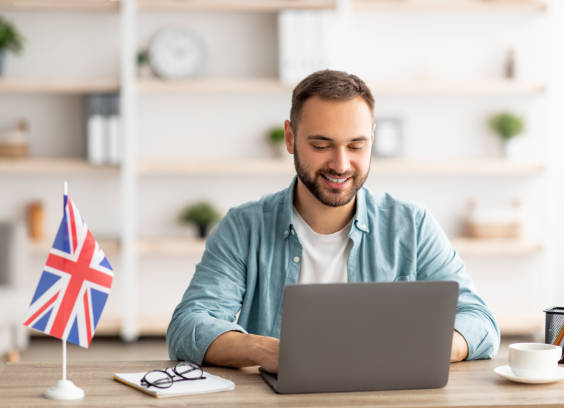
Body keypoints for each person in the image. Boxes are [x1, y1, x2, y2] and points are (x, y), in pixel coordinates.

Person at [167, 70, 500, 373]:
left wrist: (417, 349)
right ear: (290, 138)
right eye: (321, 144)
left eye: (356, 145)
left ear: (372, 138)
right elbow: (188, 326)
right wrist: (269, 351)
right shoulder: (244, 227)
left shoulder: (412, 225)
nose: (341, 164)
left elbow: (480, 323)